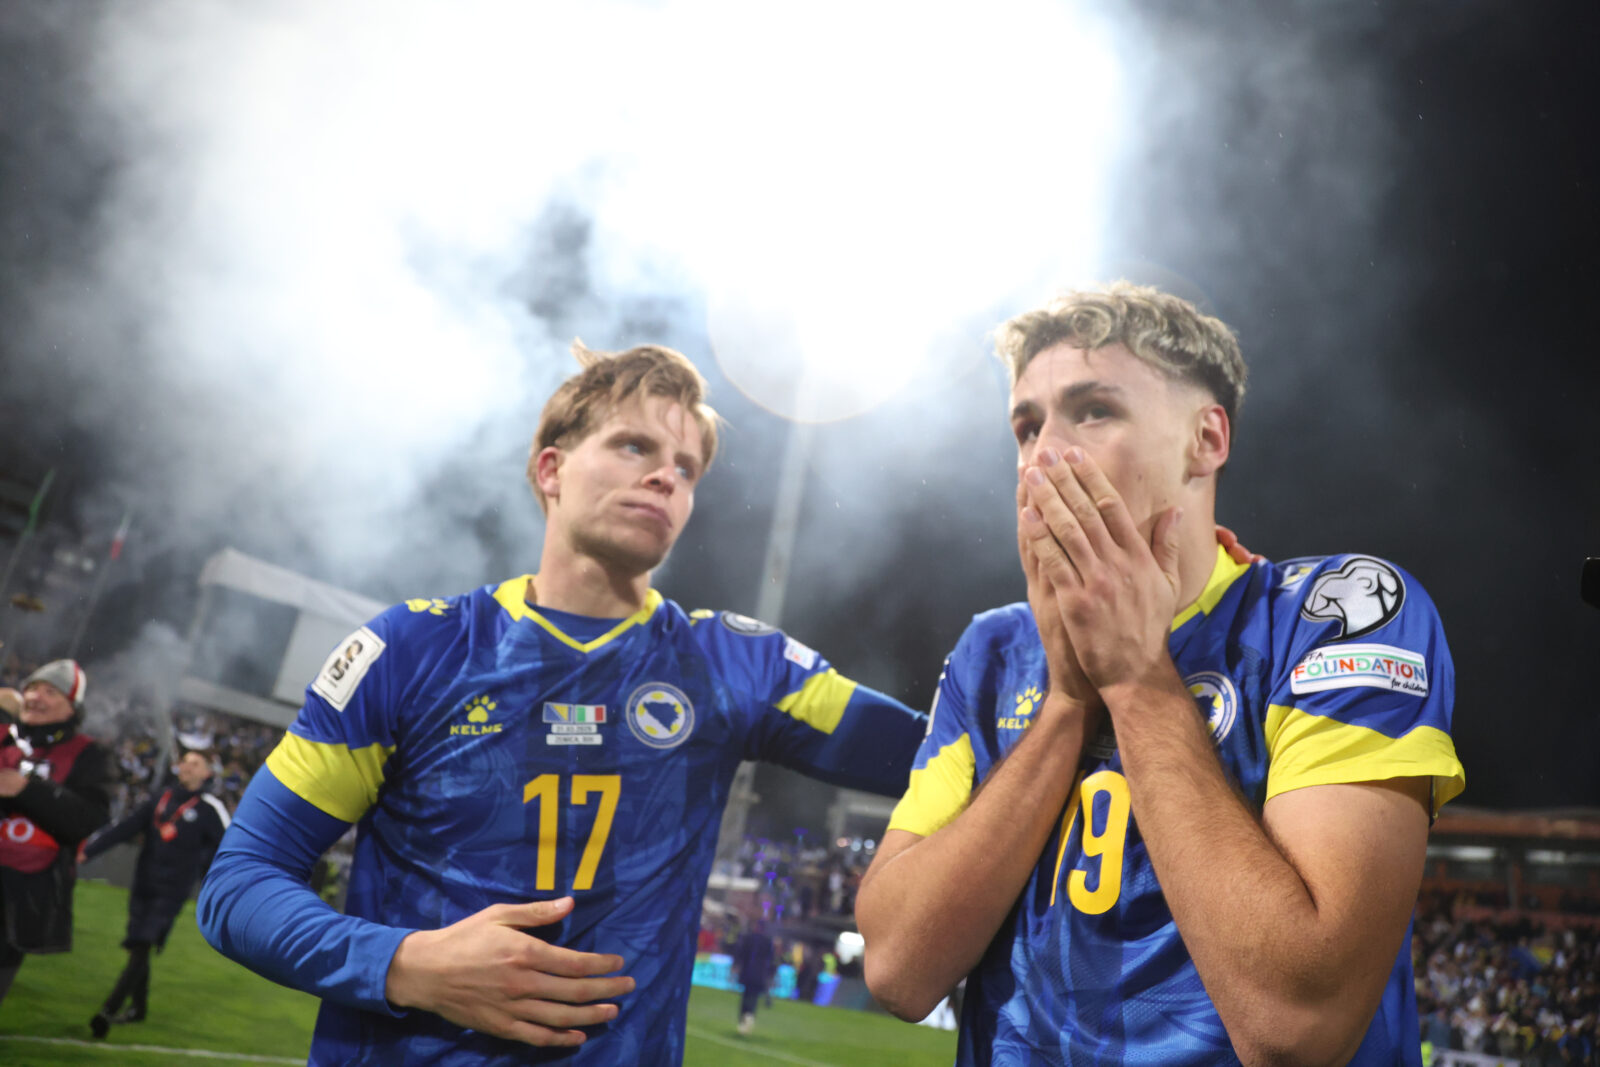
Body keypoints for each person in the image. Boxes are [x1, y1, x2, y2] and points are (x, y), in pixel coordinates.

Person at [198, 341, 928, 1065]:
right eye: (633, 445)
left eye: (686, 468)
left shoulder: (738, 667)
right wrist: (409, 963)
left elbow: (949, 754)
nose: (664, 478)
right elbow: (239, 884)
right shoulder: (414, 651)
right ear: (551, 468)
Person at [857, 282, 1466, 1065]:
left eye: (1094, 410)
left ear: (1206, 439)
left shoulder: (1340, 613)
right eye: (1026, 425)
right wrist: (1069, 704)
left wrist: (1138, 676)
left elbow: (1297, 1022)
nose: (1042, 457)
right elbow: (899, 969)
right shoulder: (995, 651)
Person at [83, 747, 230, 1037]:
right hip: (144, 884)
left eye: (195, 763)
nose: (187, 767)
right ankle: (139, 1008)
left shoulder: (210, 808)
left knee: (143, 945)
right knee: (140, 945)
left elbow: (225, 851)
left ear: (206, 773)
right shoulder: (161, 798)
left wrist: (217, 891)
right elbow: (126, 827)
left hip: (172, 891)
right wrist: (88, 851)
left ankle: (107, 1011)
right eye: (185, 761)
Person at [0, 659, 112, 1005]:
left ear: (72, 707)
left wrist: (27, 790)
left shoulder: (89, 753)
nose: (35, 697)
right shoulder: (6, 735)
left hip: (19, 899)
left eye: (50, 692)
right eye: (32, 688)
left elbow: (87, 818)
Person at [732, 917, 775, 1036]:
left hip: (748, 973)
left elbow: (740, 953)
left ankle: (743, 1021)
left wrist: (736, 966)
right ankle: (749, 1018)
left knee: (746, 997)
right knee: (754, 998)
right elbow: (771, 960)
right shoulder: (768, 942)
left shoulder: (749, 938)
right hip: (760, 975)